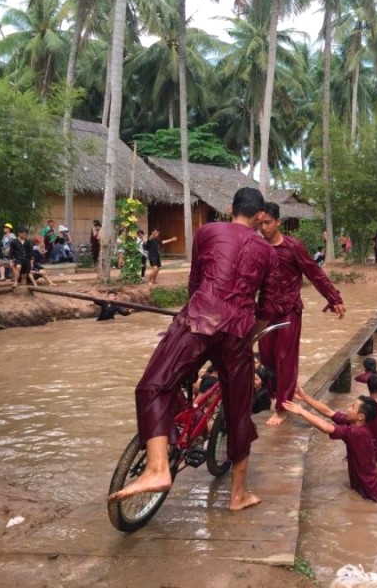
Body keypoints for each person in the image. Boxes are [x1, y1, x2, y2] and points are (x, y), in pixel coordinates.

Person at [107, 187, 285, 511]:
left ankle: (158, 466)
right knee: (239, 413)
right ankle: (238, 496)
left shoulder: (208, 232)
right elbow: (269, 308)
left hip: (199, 320)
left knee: (153, 386)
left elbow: (195, 283)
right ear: (261, 216)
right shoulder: (269, 253)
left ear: (230, 208)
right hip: (238, 334)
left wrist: (195, 310)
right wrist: (250, 334)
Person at [258, 201, 345, 426]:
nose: (263, 228)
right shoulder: (258, 247)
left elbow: (314, 273)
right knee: (267, 358)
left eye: (267, 223)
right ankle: (279, 391)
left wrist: (333, 298)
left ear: (278, 222)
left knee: (284, 358)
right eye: (260, 223)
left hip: (289, 311)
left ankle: (282, 407)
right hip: (265, 311)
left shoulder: (293, 247)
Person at [283, 396, 377, 502]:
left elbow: (327, 428)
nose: (348, 408)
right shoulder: (353, 423)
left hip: (369, 489)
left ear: (360, 416)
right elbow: (329, 412)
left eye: (352, 407)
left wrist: (302, 412)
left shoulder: (357, 432)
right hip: (370, 482)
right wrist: (304, 397)